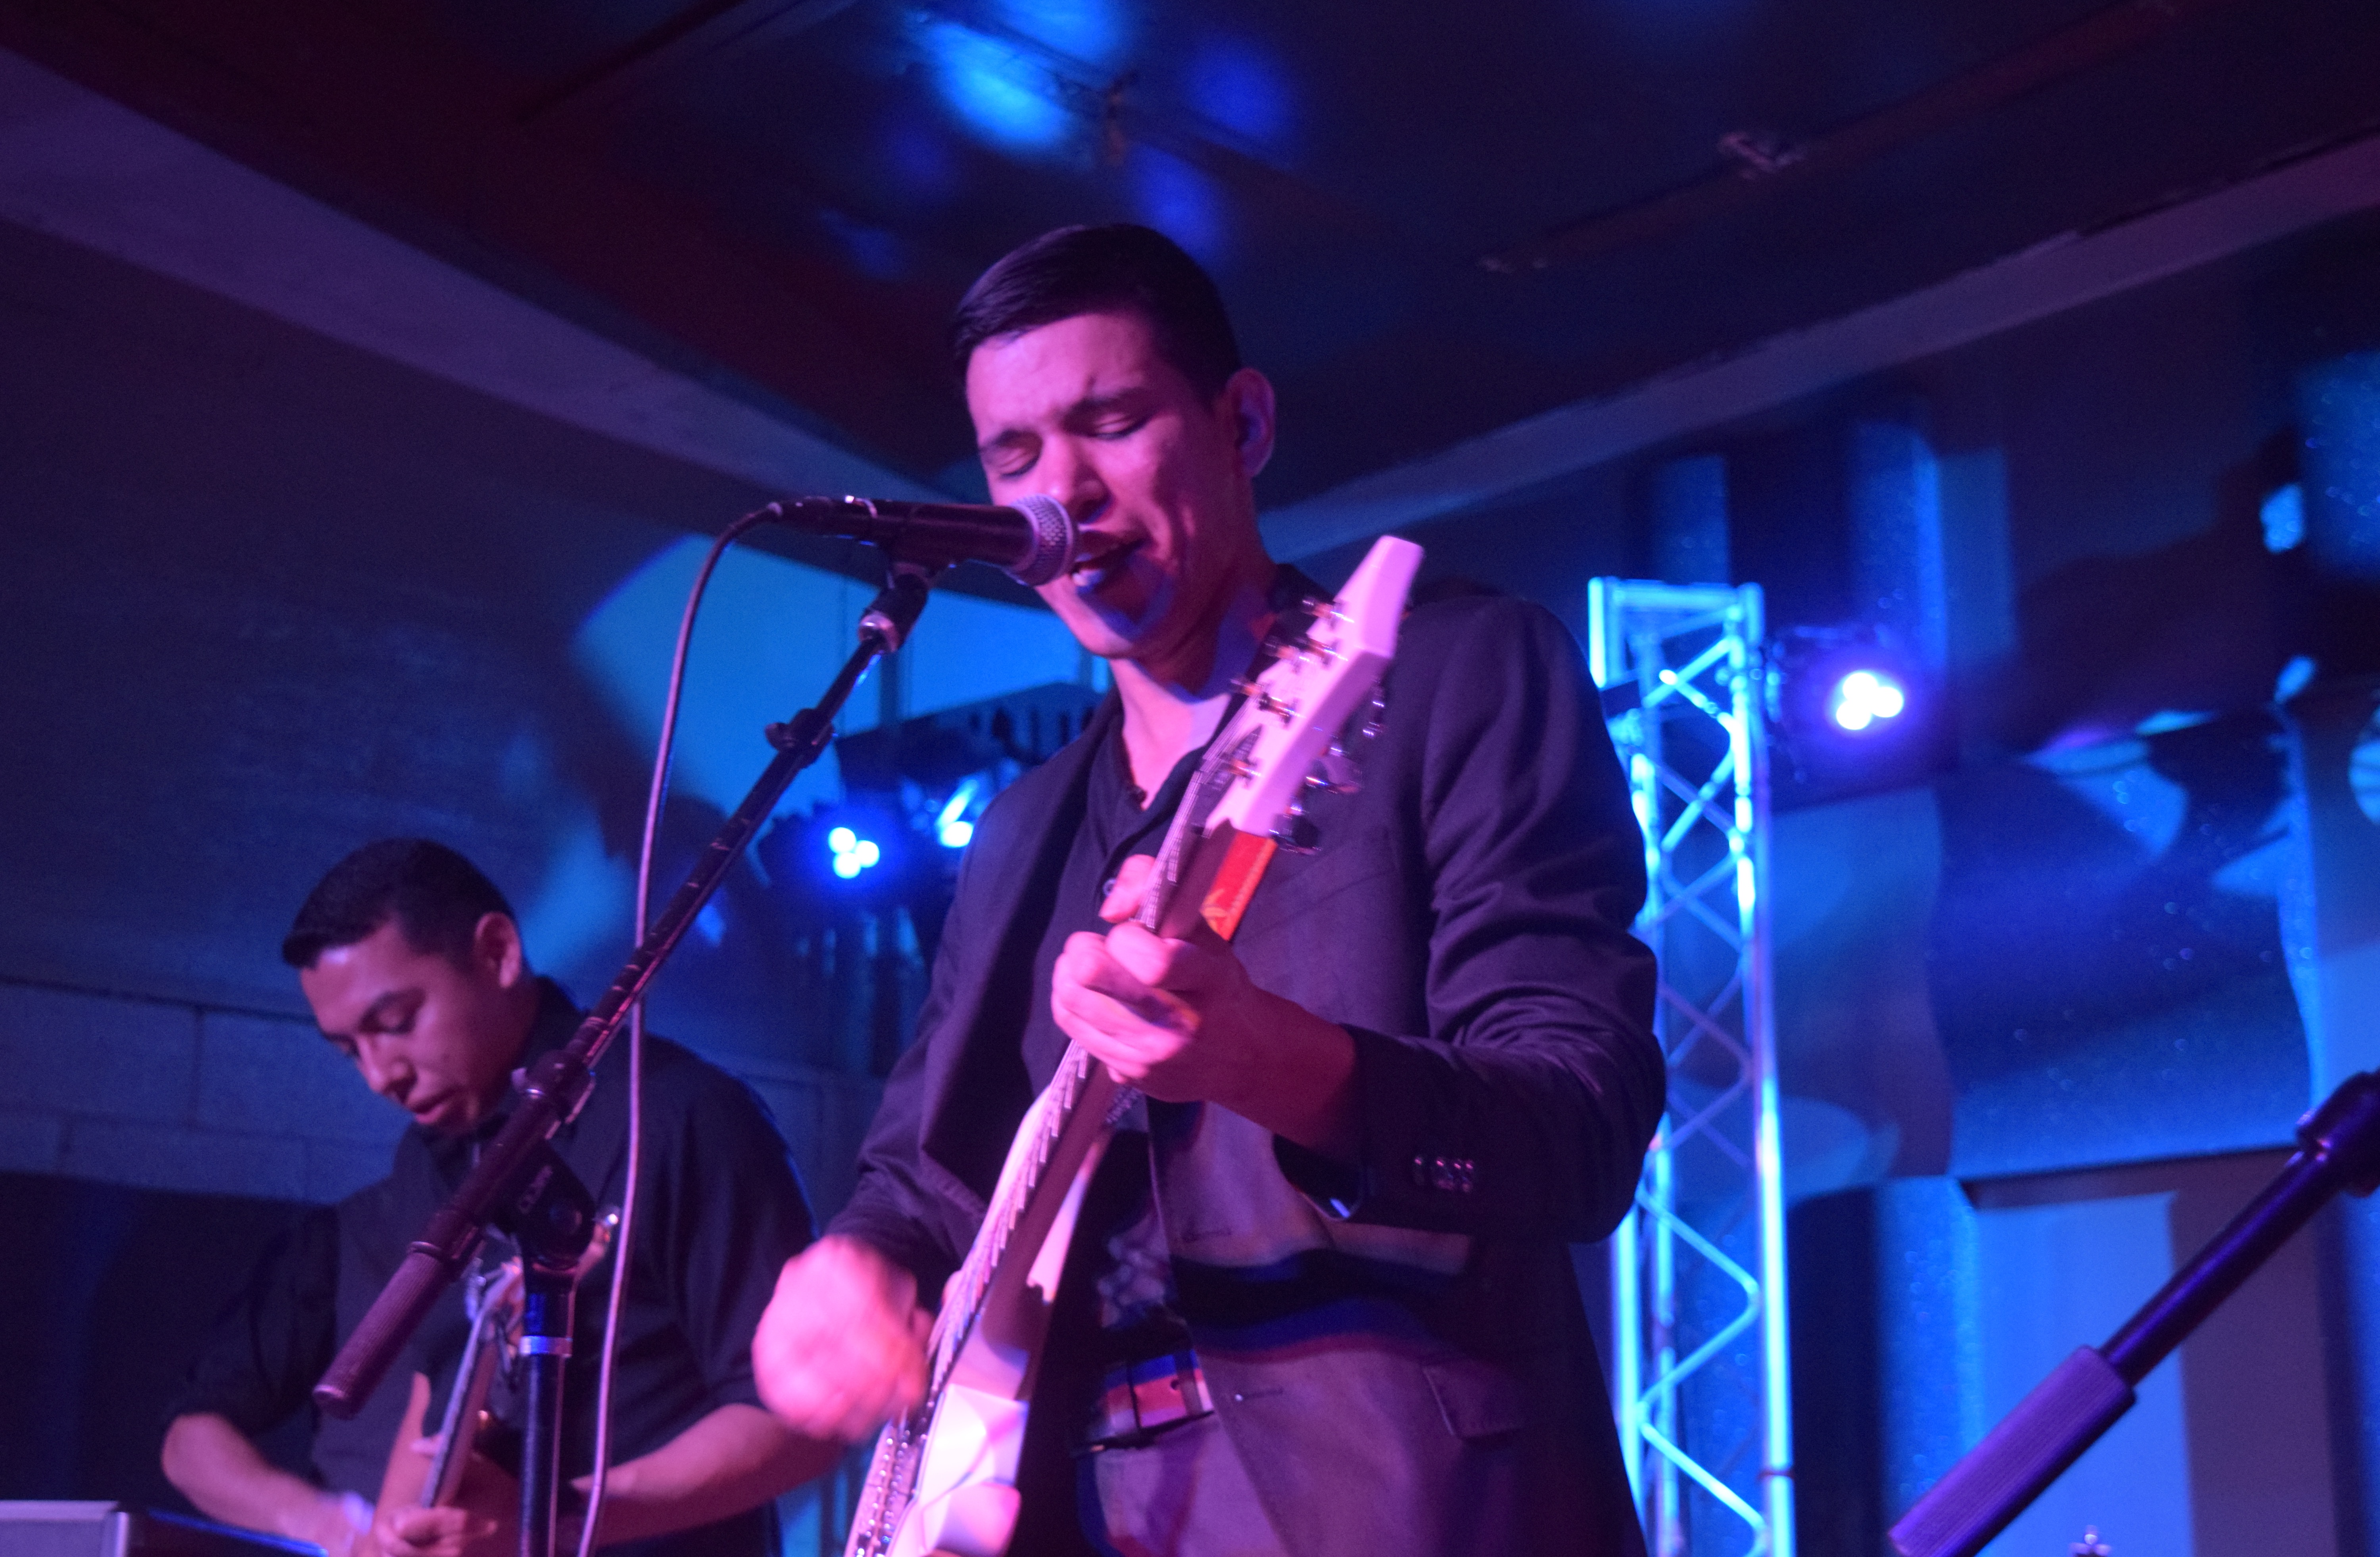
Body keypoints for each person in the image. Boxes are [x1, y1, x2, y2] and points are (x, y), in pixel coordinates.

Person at [749, 224, 1665, 1555]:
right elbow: (924, 1178)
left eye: (1112, 423)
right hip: (1059, 1506)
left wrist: (1263, 1060)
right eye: (1014, 458)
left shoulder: (1459, 673)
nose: (1063, 495)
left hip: (1395, 1505)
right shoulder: (1021, 829)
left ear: (1243, 423)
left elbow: (1581, 1126)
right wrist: (854, 1269)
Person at [162, 839, 835, 1557]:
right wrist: (391, 1536)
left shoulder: (683, 1117)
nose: (379, 1075)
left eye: (396, 1022)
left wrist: (553, 1521)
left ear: (498, 953)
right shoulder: (426, 1161)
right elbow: (438, 1388)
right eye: (350, 1050)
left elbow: (805, 1417)